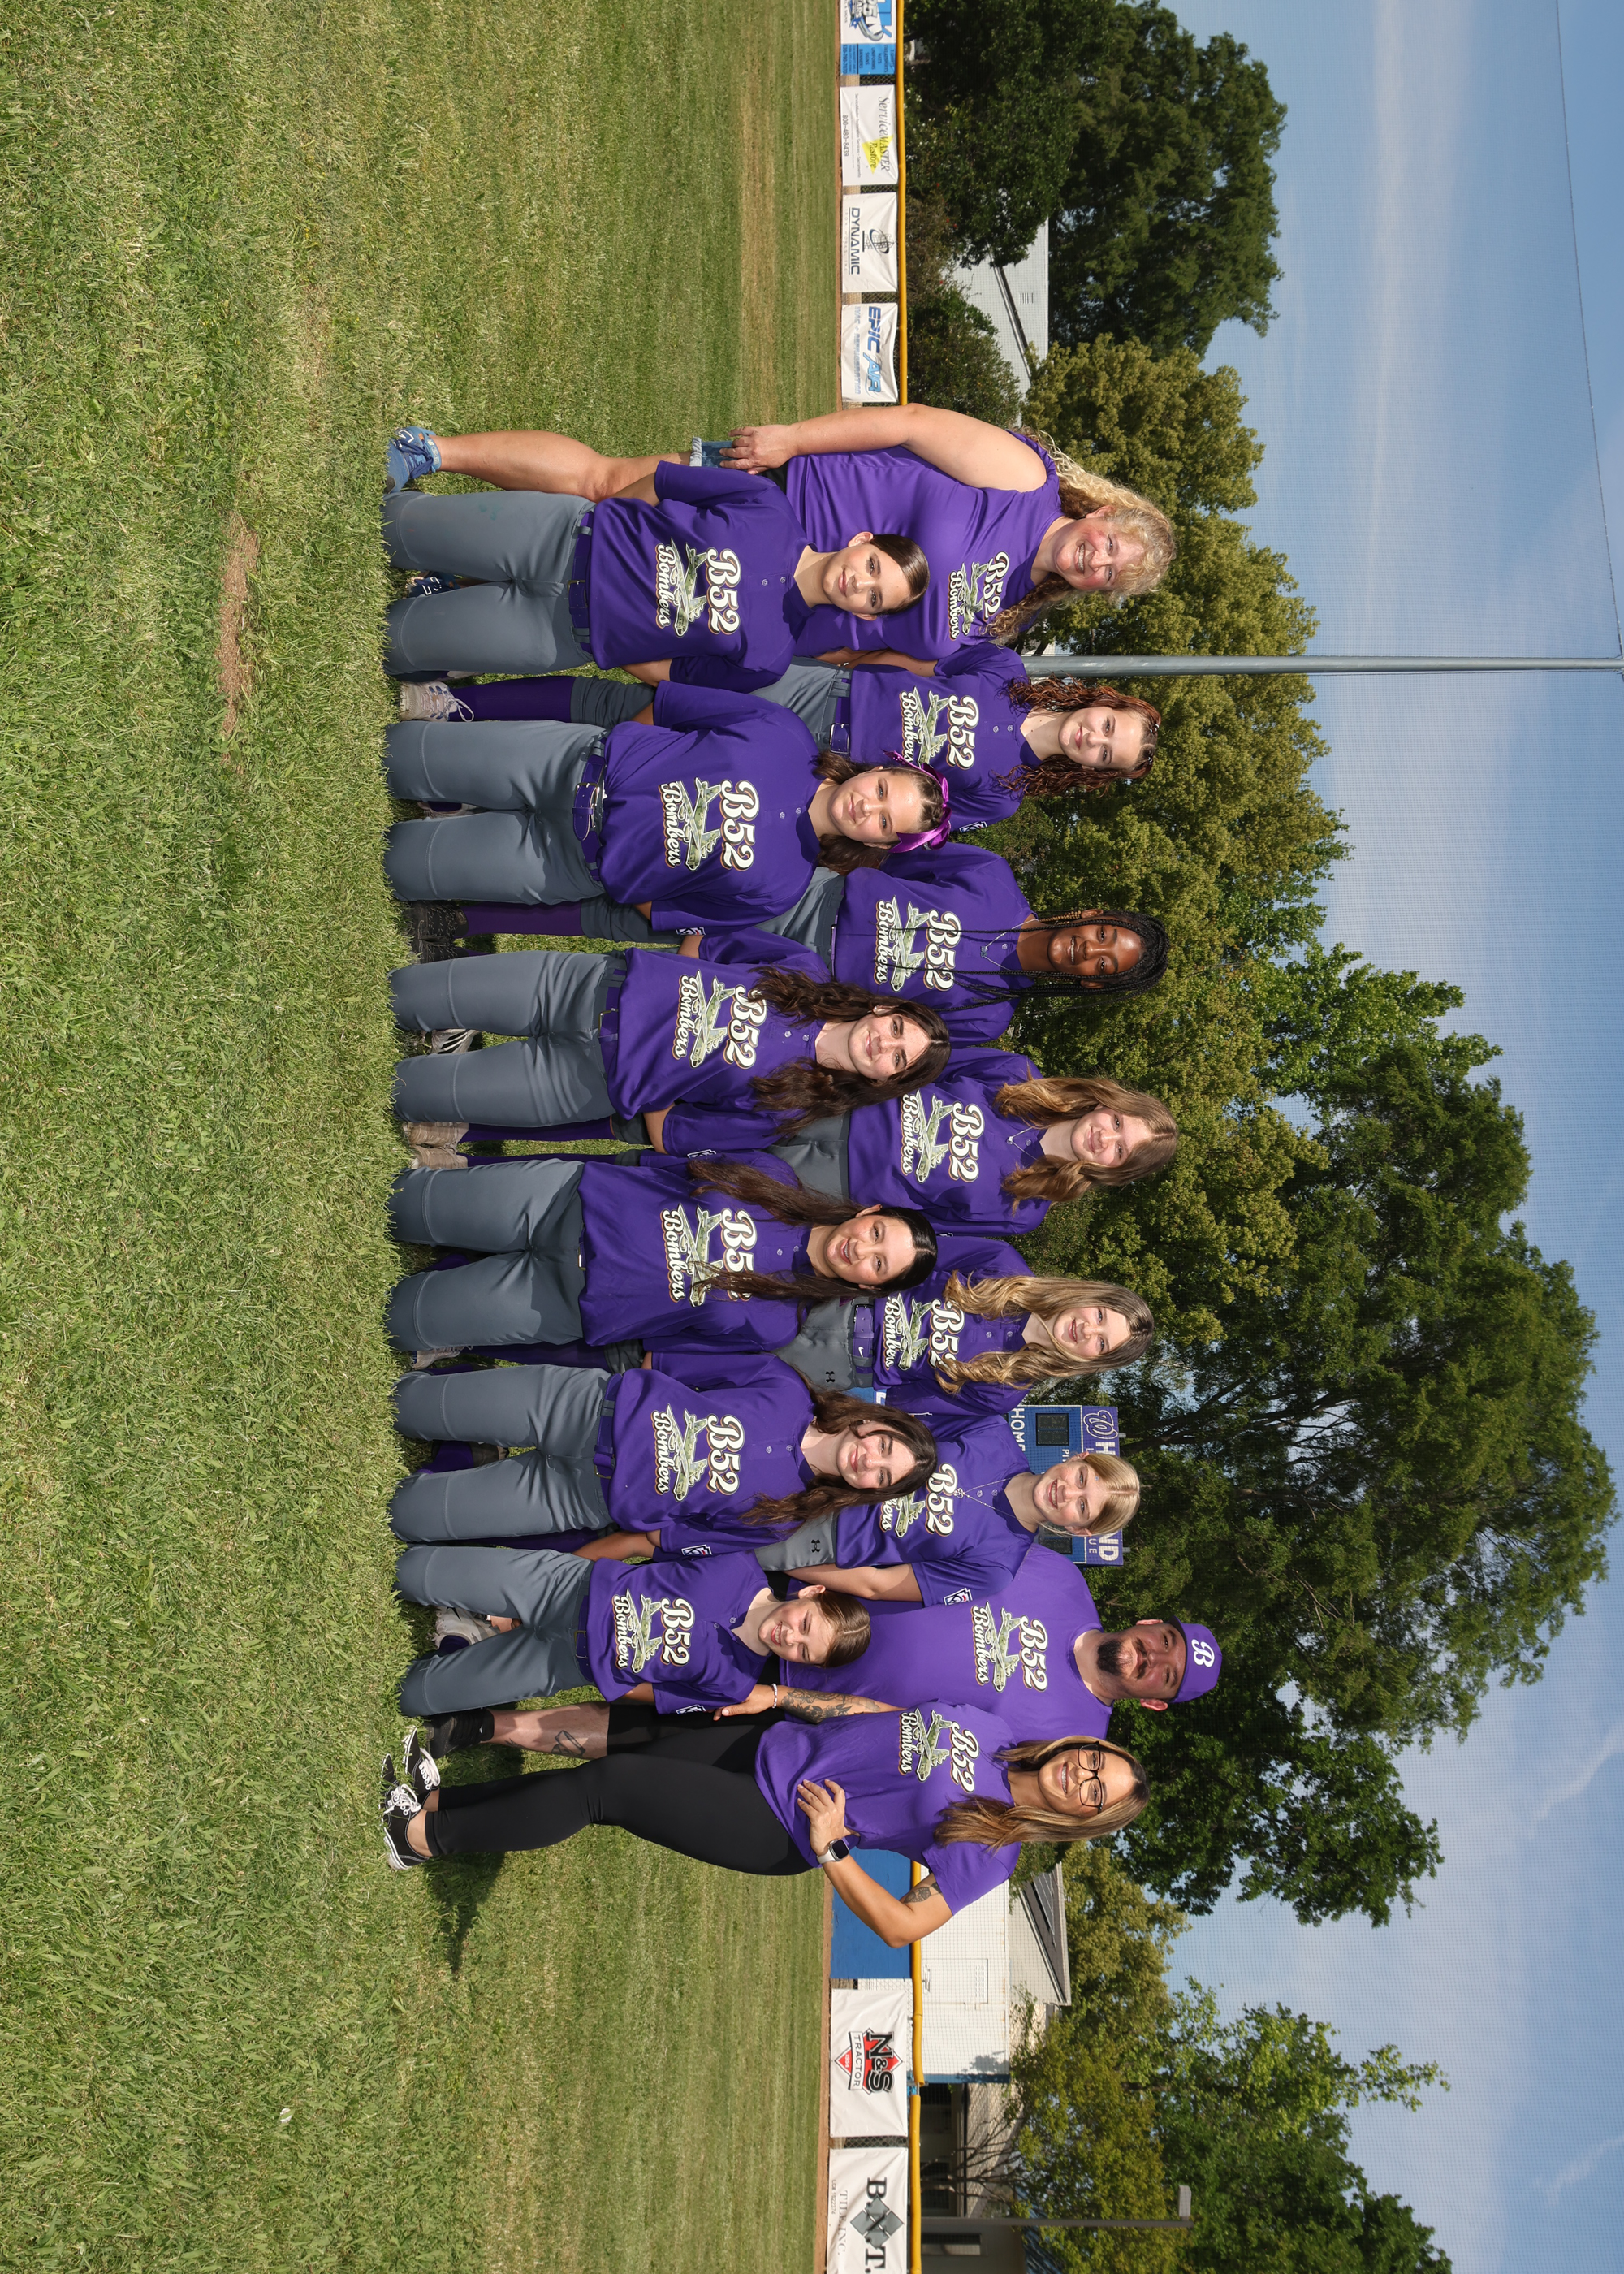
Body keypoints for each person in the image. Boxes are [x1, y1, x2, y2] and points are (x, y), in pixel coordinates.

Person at [387, 406, 1174, 664]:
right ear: (1101, 515)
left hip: (768, 612)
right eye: (1112, 545)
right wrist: (792, 439)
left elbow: (872, 655)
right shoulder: (1023, 480)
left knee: (624, 596)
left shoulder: (1006, 619)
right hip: (774, 499)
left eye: (1112, 575)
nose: (1099, 561)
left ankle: (458, 582)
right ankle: (432, 452)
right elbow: (908, 423)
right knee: (606, 490)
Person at [380, 1701, 1149, 1952]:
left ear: (1087, 1817)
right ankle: (444, 1809)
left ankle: (419, 1839)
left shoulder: (997, 1849)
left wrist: (834, 1850)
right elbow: (880, 1714)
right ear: (1083, 1745)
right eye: (1094, 1762)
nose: (1082, 1777)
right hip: (771, 1744)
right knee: (626, 1748)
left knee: (608, 1790)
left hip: (777, 1823)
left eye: (1096, 1793)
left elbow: (904, 1927)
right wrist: (784, 1696)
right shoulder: (994, 1729)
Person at [501, 841, 1168, 1046]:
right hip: (805, 898)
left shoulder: (989, 1016)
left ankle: (523, 996)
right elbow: (890, 859)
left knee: (649, 982)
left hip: (797, 981)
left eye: (1104, 964)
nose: (1090, 949)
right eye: (1102, 935)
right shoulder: (993, 876)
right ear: (1090, 916)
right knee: (636, 908)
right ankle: (487, 909)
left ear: (1092, 982)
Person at [381, 683, 946, 925]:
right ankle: (460, 794)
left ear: (879, 844)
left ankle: (458, 821)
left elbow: (666, 911)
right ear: (876, 769)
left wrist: (626, 864)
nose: (867, 808)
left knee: (397, 866)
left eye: (884, 822)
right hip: (569, 765)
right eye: (881, 791)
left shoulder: (782, 888)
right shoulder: (783, 732)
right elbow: (672, 707)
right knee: (394, 756)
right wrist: (631, 758)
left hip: (566, 862)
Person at [381, 447, 929, 685]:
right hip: (562, 538)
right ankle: (446, 576)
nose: (860, 582)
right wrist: (607, 521)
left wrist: (614, 639)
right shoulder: (769, 506)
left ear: (865, 615)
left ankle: (443, 613)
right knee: (395, 528)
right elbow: (666, 481)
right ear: (862, 539)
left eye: (874, 597)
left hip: (558, 633)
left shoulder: (772, 657)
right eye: (873, 565)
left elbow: (672, 673)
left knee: (394, 644)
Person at [407, 659, 1161, 830]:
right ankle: (463, 707)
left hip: (814, 768)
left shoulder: (1004, 797)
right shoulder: (1006, 673)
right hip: (816, 694)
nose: (1095, 739)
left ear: (1095, 773)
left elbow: (914, 820)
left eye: (1108, 754)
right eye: (1108, 726)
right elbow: (910, 656)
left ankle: (473, 786)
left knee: (643, 767)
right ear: (1102, 702)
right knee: (635, 703)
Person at [385, 941, 951, 1162]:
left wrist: (658, 1068)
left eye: (898, 1059)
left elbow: (673, 1135)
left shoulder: (793, 1107)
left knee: (407, 1092)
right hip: (582, 987)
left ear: (886, 1081)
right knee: (403, 995)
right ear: (884, 1009)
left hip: (581, 1079)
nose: (885, 1043)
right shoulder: (803, 970)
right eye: (898, 1027)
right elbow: (710, 944)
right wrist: (664, 993)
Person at [386, 1151, 938, 1364]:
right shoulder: (772, 1176)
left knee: (400, 1320)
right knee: (401, 1206)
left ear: (870, 1287)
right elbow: (655, 1166)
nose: (862, 1248)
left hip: (559, 1301)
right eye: (878, 1232)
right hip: (564, 1203)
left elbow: (661, 1343)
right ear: (871, 1210)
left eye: (878, 1264)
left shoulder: (776, 1326)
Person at [387, 1354, 939, 1553]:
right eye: (883, 1447)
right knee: (406, 1406)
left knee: (409, 1516)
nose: (871, 1463)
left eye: (883, 1478)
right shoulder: (785, 1385)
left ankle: (474, 1460)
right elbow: (668, 1362)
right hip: (585, 1410)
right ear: (872, 1423)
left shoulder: (783, 1519)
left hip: (581, 1497)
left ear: (872, 1494)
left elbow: (668, 1537)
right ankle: (471, 1429)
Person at [587, 1418, 1143, 1609]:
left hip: (817, 1537)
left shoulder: (997, 1570)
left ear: (1077, 1529)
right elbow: (894, 1422)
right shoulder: (993, 1432)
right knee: (677, 1483)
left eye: (1083, 1508)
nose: (1068, 1493)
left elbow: (877, 1585)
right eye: (1082, 1480)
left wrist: (791, 1562)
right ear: (1075, 1460)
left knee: (660, 1543)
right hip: (819, 1475)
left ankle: (555, 1584)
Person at [733, 1538, 1223, 1745]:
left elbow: (922, 1741)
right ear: (1149, 1621)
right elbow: (922, 1545)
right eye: (1165, 1640)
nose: (1154, 1656)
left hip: (785, 1710)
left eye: (1168, 1674)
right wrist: (787, 1559)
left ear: (1156, 1703)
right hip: (791, 1604)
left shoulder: (1074, 1742)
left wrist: (782, 1699)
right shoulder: (1061, 1577)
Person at [638, 1056, 1178, 1239]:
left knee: (694, 1187)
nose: (1106, 1137)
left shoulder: (1027, 1209)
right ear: (1107, 1103)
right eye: (1117, 1122)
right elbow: (925, 1064)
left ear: (1114, 1171)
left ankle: (619, 1171)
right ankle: (624, 1098)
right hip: (836, 1106)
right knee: (687, 1109)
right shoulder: (1017, 1073)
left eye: (1119, 1150)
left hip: (829, 1185)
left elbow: (924, 1227)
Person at [391, 1541, 873, 1722]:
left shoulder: (737, 1683)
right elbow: (645, 1542)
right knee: (409, 1573)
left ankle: (475, 1634)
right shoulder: (737, 1563)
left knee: (415, 1697)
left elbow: (657, 1693)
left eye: (804, 1653)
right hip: (567, 1588)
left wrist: (609, 1677)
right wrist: (569, 1564)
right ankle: (478, 1615)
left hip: (566, 1664)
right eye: (805, 1625)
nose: (791, 1639)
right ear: (810, 1593)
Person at [864, 1244, 1156, 1419]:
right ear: (1089, 1296)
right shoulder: (1002, 1263)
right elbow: (907, 1256)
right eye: (1100, 1315)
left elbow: (897, 1400)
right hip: (855, 1294)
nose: (1088, 1329)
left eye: (1102, 1343)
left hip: (854, 1365)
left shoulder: (1004, 1393)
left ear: (1093, 1361)